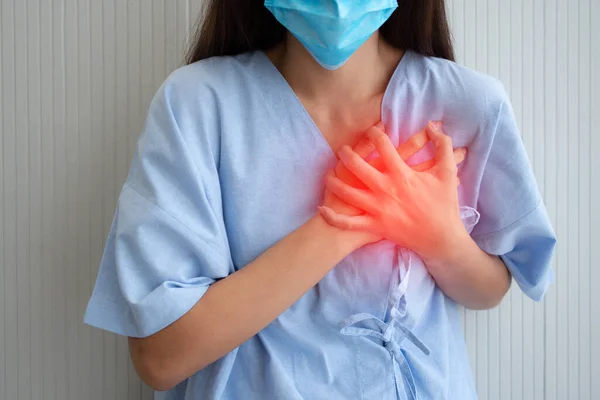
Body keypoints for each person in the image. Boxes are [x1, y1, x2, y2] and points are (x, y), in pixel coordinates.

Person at [84, 0, 557, 398]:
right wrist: (347, 222)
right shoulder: (197, 104)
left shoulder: (470, 103)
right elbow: (160, 356)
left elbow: (491, 287)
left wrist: (440, 238)